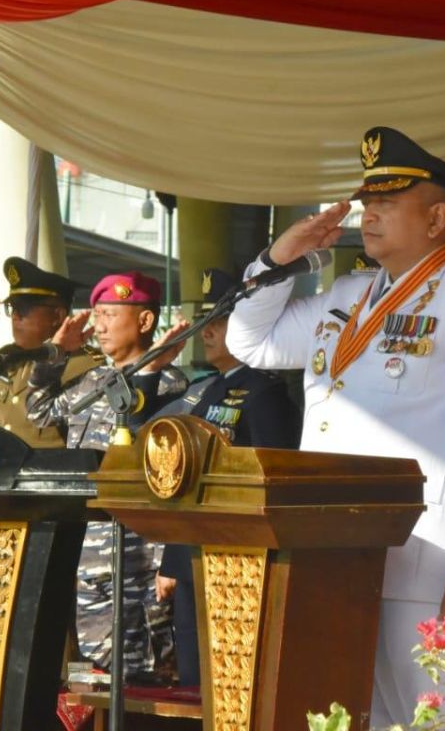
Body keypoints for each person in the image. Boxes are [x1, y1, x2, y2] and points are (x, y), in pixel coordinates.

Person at [225, 126, 445, 725]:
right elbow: (248, 341)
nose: (369, 216)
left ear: (437, 217)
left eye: (388, 203)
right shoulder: (350, 293)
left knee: (434, 719)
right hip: (339, 552)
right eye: (368, 203)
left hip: (431, 559)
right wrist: (277, 260)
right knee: (359, 715)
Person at [27, 271, 189, 683]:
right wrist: (55, 356)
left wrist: (166, 558)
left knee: (142, 676)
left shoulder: (170, 384)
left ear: (145, 322)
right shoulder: (93, 381)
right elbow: (39, 410)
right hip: (86, 550)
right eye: (96, 315)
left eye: (110, 314)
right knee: (95, 673)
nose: (98, 325)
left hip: (134, 552)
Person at [153, 268, 301, 686]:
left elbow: (270, 484)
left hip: (237, 559)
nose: (209, 331)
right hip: (193, 556)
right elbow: (183, 478)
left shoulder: (266, 394)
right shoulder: (205, 390)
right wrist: (173, 558)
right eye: (207, 320)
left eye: (222, 320)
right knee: (193, 680)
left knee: (233, 680)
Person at [0, 257, 101, 446]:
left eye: (24, 308)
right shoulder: (9, 357)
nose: (15, 315)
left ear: (57, 315)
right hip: (3, 473)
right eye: (12, 308)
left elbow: (90, 444)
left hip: (49, 474)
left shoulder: (82, 364)